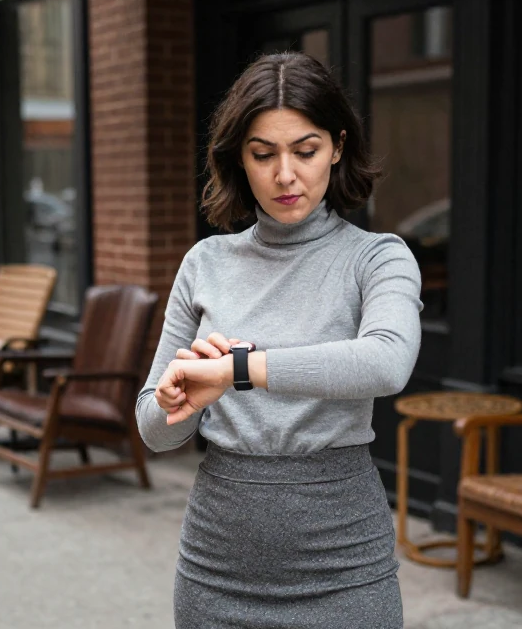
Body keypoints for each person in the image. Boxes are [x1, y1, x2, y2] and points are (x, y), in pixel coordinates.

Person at [135, 51, 423, 629]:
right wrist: (178, 404)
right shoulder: (206, 263)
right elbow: (152, 431)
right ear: (239, 159)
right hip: (216, 567)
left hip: (344, 567)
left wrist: (238, 369)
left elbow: (387, 362)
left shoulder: (377, 258)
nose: (285, 174)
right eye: (263, 154)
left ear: (338, 147)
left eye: (306, 150)